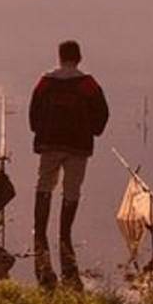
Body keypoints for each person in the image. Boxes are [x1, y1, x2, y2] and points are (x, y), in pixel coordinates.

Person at [28, 40, 110, 257]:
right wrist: (92, 132)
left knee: (44, 185)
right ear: (79, 58)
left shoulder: (46, 81)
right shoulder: (87, 84)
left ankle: (40, 234)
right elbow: (102, 112)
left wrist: (38, 131)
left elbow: (34, 110)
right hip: (78, 146)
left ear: (60, 57)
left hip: (49, 142)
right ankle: (65, 236)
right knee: (72, 190)